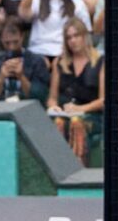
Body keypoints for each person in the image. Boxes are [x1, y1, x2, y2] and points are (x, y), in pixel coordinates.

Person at [47, 18, 104, 166]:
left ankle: (79, 168)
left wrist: (80, 109)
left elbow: (104, 100)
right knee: (58, 122)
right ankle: (58, 167)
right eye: (69, 38)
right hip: (65, 114)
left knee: (76, 122)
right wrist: (54, 107)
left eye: (76, 36)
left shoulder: (100, 61)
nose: (73, 41)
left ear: (85, 36)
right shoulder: (59, 63)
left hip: (92, 116)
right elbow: (52, 98)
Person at [18, 0, 92, 60]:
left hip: (67, 54)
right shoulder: (36, 1)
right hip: (38, 54)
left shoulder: (78, 4)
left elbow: (86, 32)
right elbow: (23, 13)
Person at [0, 21, 50, 104]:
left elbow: (39, 96)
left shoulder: (36, 61)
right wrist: (1, 77)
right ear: (1, 39)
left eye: (16, 42)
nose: (12, 47)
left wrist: (21, 76)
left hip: (27, 106)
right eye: (7, 43)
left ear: (22, 37)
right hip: (0, 104)